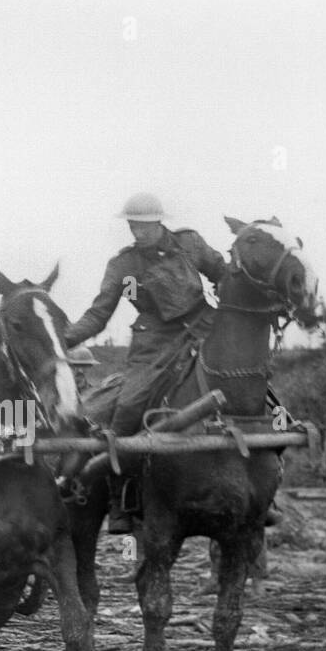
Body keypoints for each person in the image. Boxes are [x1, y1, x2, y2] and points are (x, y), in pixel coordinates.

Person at [63, 192, 229, 531]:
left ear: (159, 222)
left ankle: (265, 479)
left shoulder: (189, 244)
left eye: (144, 225)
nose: (137, 232)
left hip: (205, 328)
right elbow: (99, 315)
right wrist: (60, 340)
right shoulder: (124, 266)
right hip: (154, 343)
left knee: (251, 384)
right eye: (132, 225)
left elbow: (221, 273)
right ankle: (120, 492)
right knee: (127, 408)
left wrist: (231, 304)